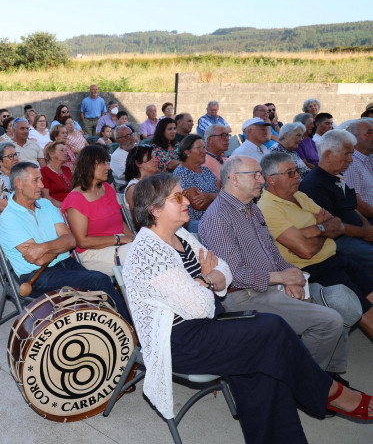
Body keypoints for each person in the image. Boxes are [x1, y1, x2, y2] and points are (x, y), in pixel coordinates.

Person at [122, 173, 373, 444]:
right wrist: (209, 279)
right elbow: (198, 306)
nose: (187, 202)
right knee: (271, 329)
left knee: (264, 365)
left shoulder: (180, 234)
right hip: (180, 343)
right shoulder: (147, 251)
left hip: (210, 325)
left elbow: (225, 270)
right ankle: (331, 394)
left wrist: (208, 280)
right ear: (155, 209)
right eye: (178, 197)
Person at [199, 156, 355, 383]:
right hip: (242, 297)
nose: (262, 180)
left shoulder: (250, 208)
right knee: (328, 321)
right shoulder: (218, 219)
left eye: (260, 174)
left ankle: (325, 374)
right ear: (234, 179)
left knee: (336, 310)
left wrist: (291, 277)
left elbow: (272, 253)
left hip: (267, 287)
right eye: (255, 175)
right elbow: (234, 276)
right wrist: (281, 278)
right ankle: (307, 384)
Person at [258, 151, 373, 338]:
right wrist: (323, 229)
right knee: (365, 312)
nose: (298, 176)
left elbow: (335, 222)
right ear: (271, 179)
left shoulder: (299, 195)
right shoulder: (268, 208)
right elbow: (306, 251)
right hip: (316, 270)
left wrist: (312, 231)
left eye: (296, 171)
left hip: (336, 258)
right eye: (290, 173)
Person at [0, 162, 129, 320]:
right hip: (37, 276)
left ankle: (118, 330)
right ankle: (130, 332)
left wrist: (44, 247)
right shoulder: (9, 218)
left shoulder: (45, 204)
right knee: (99, 280)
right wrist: (59, 246)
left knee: (100, 285)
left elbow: (71, 240)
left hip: (67, 264)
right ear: (19, 183)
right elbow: (38, 259)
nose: (42, 184)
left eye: (41, 179)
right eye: (36, 180)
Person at [300, 129, 373, 271]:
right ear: (328, 155)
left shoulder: (336, 176)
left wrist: (367, 228)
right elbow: (330, 227)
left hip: (354, 234)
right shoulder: (314, 185)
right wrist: (365, 233)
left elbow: (351, 208)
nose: (351, 159)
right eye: (347, 154)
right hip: (338, 241)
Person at [62, 145, 134, 276]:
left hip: (119, 245)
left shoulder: (107, 188)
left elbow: (118, 221)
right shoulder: (76, 199)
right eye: (103, 163)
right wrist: (119, 239)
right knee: (142, 252)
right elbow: (82, 242)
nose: (108, 167)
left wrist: (132, 238)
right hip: (93, 254)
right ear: (88, 166)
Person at [173, 135, 219, 231]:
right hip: (196, 222)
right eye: (199, 148)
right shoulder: (182, 173)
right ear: (187, 152)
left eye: (204, 148)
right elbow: (199, 205)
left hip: (216, 216)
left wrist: (210, 196)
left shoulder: (206, 170)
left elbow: (223, 193)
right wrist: (219, 198)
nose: (204, 151)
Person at [123, 146, 158, 229]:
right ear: (138, 163)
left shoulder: (155, 181)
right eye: (150, 158)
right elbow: (140, 223)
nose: (156, 160)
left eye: (155, 157)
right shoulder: (134, 188)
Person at [344, 118, 373, 209]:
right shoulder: (350, 164)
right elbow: (356, 204)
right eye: (369, 133)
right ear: (353, 139)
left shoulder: (368, 158)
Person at [39, 142, 72, 207]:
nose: (65, 153)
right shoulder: (44, 171)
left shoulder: (67, 169)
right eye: (61, 150)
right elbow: (46, 197)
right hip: (55, 207)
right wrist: (64, 207)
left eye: (66, 150)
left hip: (72, 204)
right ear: (51, 154)